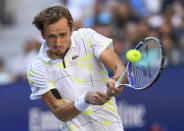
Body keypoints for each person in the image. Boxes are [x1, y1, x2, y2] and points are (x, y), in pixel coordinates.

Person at [27, 6, 127, 131]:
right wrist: (85, 99)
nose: (58, 43)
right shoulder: (37, 67)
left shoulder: (87, 37)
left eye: (63, 35)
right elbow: (60, 112)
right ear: (42, 35)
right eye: (52, 36)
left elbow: (119, 68)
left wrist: (116, 81)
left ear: (72, 29)